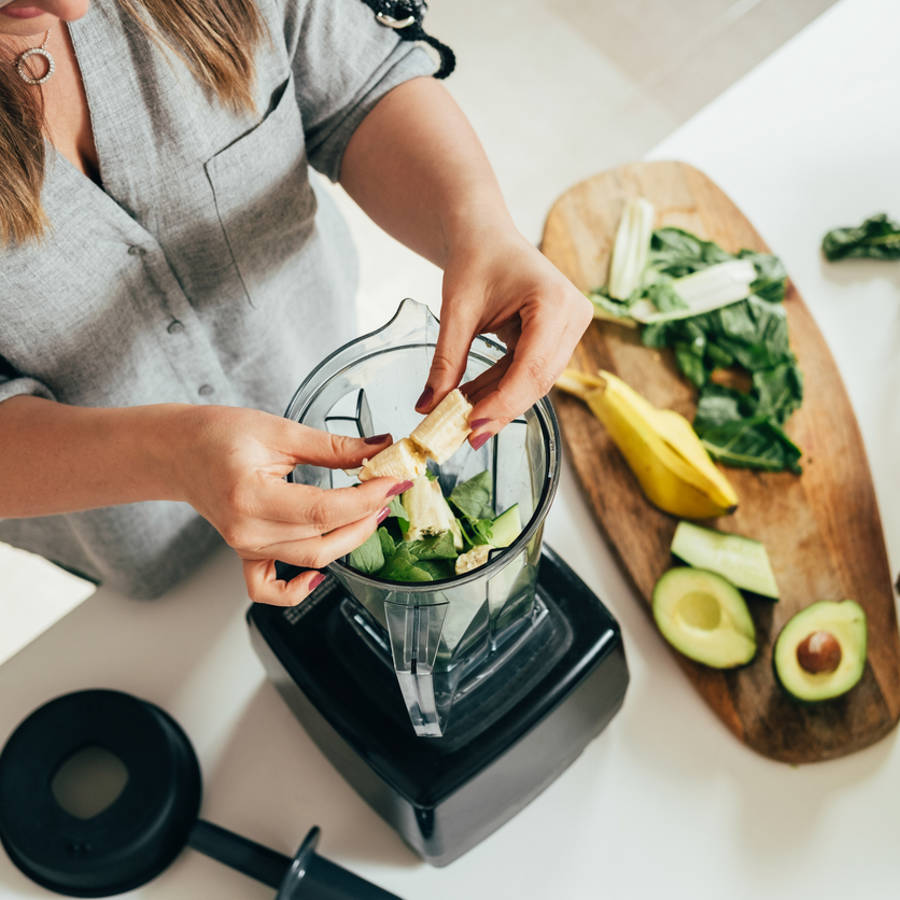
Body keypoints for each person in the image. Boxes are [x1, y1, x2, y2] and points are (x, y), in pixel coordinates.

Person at [0, 0, 592, 606]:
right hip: (119, 516)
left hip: (306, 357)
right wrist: (171, 458)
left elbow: (358, 88)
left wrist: (480, 226)